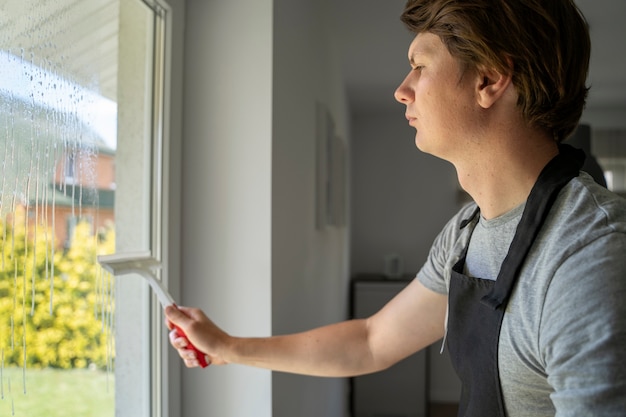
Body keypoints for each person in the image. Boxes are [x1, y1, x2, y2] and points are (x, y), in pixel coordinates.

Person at [165, 0, 626, 415]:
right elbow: (370, 343)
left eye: (420, 67)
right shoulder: (465, 233)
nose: (402, 90)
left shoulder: (588, 255)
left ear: (488, 79)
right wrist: (227, 347)